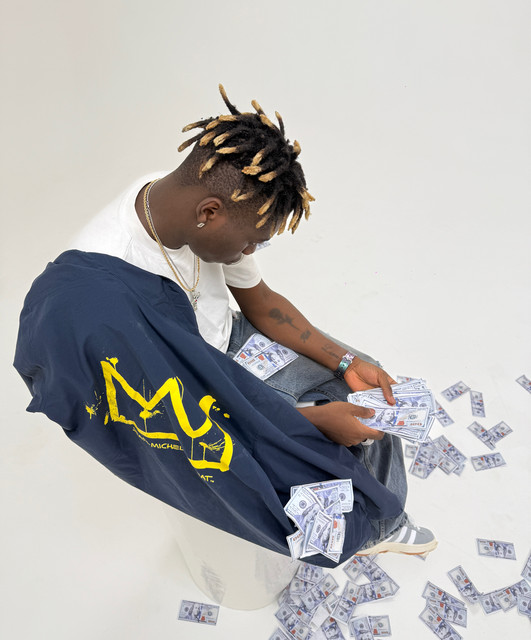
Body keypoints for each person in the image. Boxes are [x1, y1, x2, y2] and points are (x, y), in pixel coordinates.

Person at [63, 85, 435, 556]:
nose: (252, 251)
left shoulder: (188, 196)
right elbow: (177, 415)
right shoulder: (108, 284)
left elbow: (260, 303)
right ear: (210, 213)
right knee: (318, 452)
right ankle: (357, 523)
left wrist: (346, 362)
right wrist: (307, 422)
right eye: (251, 242)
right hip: (190, 381)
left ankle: (383, 522)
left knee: (369, 391)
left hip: (234, 338)